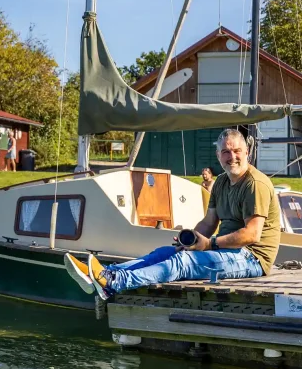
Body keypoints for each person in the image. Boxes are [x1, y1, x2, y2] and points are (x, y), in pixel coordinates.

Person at [64, 128, 280, 301]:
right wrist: (192, 239)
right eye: (226, 152)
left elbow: (252, 234)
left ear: (247, 153)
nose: (232, 157)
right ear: (218, 156)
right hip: (228, 250)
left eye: (237, 151)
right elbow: (208, 222)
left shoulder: (255, 184)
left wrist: (209, 244)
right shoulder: (222, 182)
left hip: (253, 258)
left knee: (182, 262)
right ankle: (105, 273)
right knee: (164, 252)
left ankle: (114, 283)